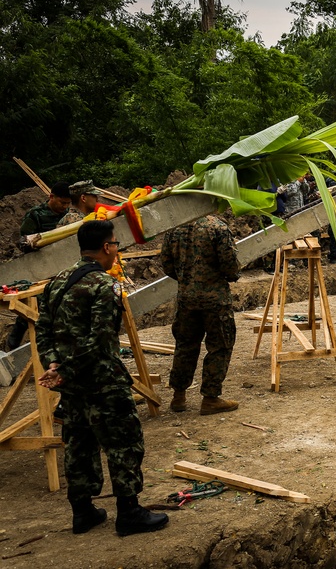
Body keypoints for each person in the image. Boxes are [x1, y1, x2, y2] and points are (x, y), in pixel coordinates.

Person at [36, 220, 169, 536]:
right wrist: (66, 370)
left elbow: (42, 329)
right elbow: (99, 340)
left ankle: (83, 513)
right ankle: (129, 513)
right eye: (116, 244)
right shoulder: (104, 286)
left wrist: (55, 366)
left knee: (79, 444)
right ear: (108, 247)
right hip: (101, 382)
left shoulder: (58, 282)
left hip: (72, 385)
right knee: (123, 442)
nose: (117, 251)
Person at [161, 215, 241, 416]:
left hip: (186, 298)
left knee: (185, 345)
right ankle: (210, 398)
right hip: (215, 300)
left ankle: (178, 396)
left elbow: (166, 264)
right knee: (220, 346)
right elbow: (230, 265)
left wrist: (186, 279)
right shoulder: (217, 227)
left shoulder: (174, 228)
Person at [8, 181, 73, 351]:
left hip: (63, 266)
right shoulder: (36, 215)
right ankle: (14, 344)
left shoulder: (69, 215)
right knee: (32, 307)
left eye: (68, 203)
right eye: (62, 202)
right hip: (40, 269)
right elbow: (23, 242)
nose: (65, 206)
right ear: (51, 197)